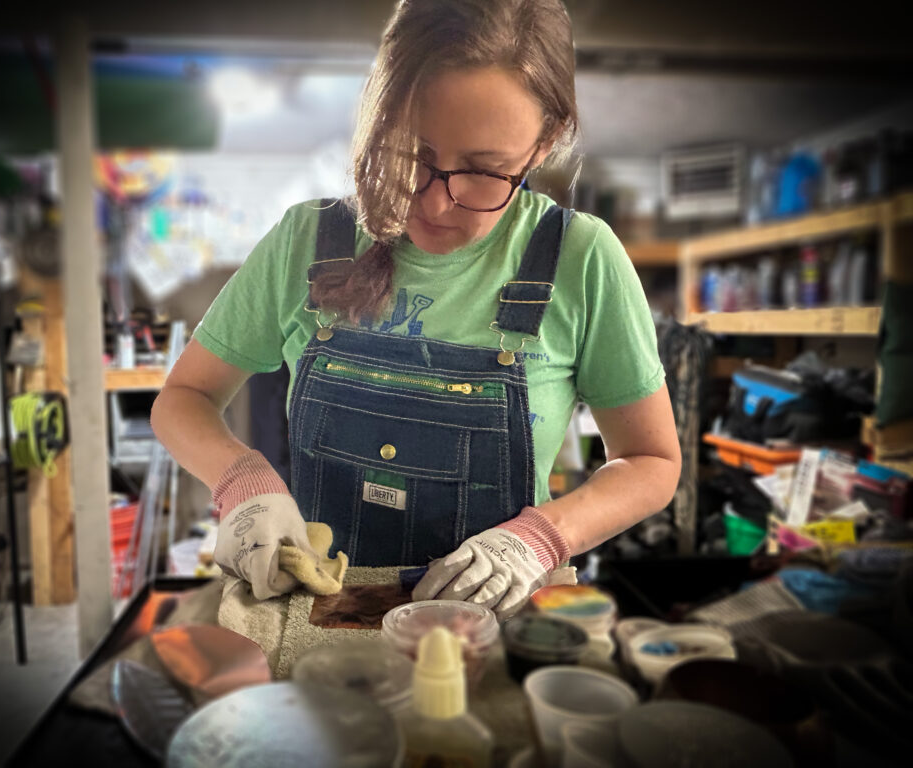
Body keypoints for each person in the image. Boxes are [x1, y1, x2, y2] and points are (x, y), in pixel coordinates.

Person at [151, 0, 681, 620]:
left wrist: (540, 538)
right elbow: (182, 399)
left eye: (484, 172)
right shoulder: (307, 241)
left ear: (542, 146)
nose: (434, 204)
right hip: (319, 615)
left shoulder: (579, 258)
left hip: (485, 634)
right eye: (412, 156)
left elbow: (650, 462)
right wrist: (243, 482)